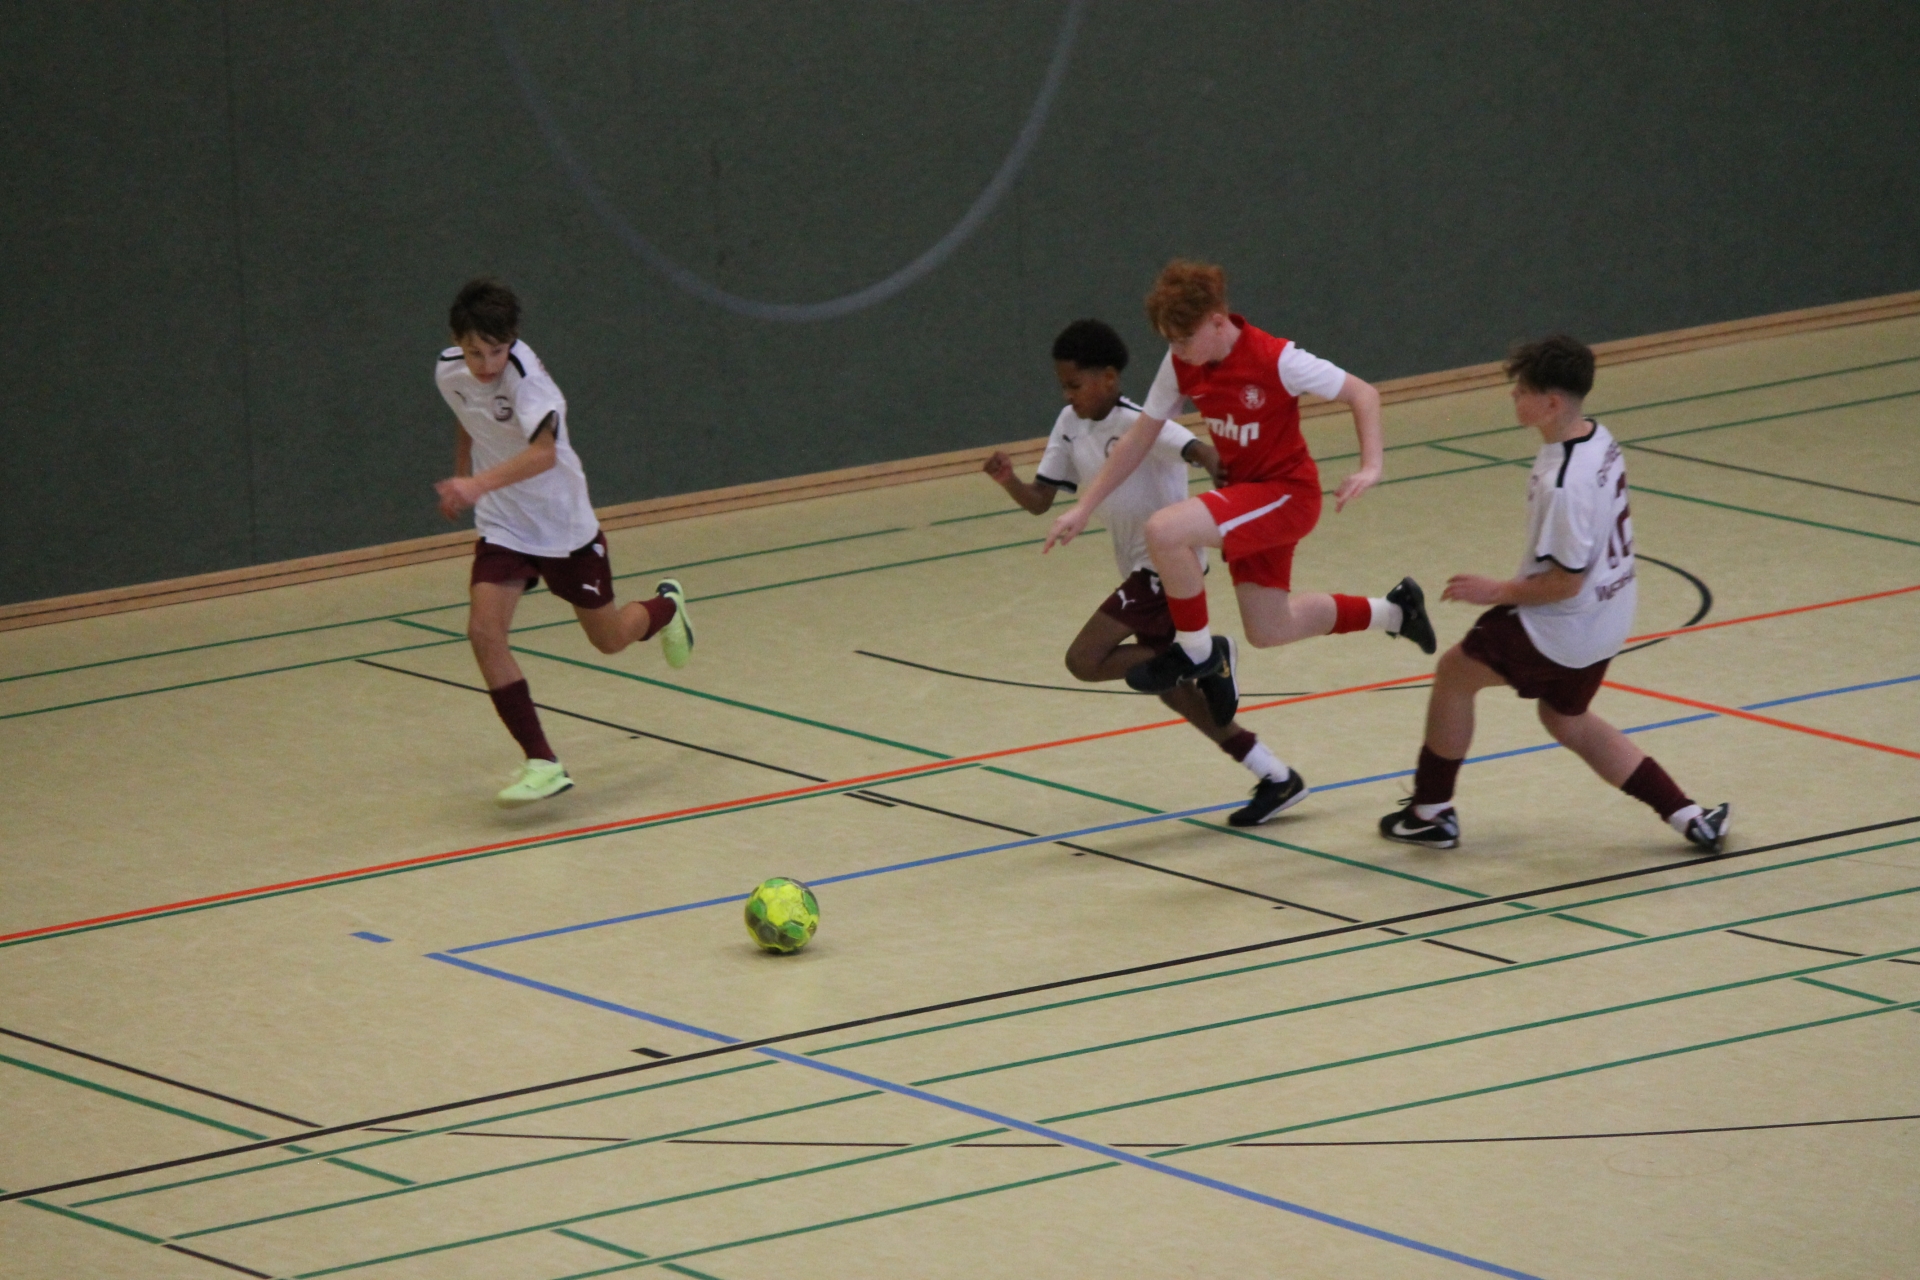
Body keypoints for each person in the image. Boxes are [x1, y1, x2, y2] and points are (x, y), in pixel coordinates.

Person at [1043, 260, 1434, 820]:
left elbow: (1363, 394)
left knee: (1165, 530)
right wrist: (1083, 507)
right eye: (1170, 340)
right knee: (1270, 627)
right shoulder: (1182, 362)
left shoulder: (1278, 358)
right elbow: (1139, 437)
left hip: (1285, 494)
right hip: (1248, 502)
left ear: (1217, 320)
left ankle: (1200, 652)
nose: (1178, 350)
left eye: (1184, 337)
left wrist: (1371, 465)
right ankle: (1395, 612)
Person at [1378, 334, 1729, 852]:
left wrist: (1495, 591)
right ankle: (1688, 815)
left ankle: (1430, 812)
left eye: (1522, 390)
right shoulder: (1599, 438)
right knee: (1565, 718)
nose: (1513, 396)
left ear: (1551, 403)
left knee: (1454, 674)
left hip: (1565, 624)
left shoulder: (1565, 483)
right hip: (1609, 617)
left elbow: (1565, 582)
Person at [985, 319, 1298, 825]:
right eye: (1063, 385)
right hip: (1138, 570)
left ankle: (1207, 655)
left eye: (1075, 384)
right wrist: (1009, 481)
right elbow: (1040, 500)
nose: (1068, 394)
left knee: (1084, 659)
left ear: (1109, 378)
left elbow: (1192, 447)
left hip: (1163, 570)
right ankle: (1275, 775)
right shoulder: (1068, 423)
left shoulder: (1139, 421)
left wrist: (1217, 462)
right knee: (1174, 689)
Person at [433, 278, 694, 806]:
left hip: (562, 526)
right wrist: (463, 475)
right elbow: (468, 417)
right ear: (457, 341)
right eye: (475, 352)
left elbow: (544, 454)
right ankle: (542, 761)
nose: (486, 364)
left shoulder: (528, 381)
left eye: (497, 352)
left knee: (609, 639)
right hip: (505, 525)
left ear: (512, 341)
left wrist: (475, 485)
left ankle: (667, 607)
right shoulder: (448, 370)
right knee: (483, 632)